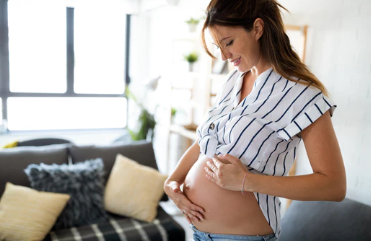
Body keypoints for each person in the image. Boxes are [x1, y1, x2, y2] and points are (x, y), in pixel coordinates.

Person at [163, 0, 347, 240]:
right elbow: (206, 144)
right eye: (218, 46)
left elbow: (334, 186)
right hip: (198, 232)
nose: (223, 55)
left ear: (258, 29)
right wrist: (172, 183)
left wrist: (247, 181)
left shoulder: (302, 94)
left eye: (228, 43)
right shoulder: (232, 82)